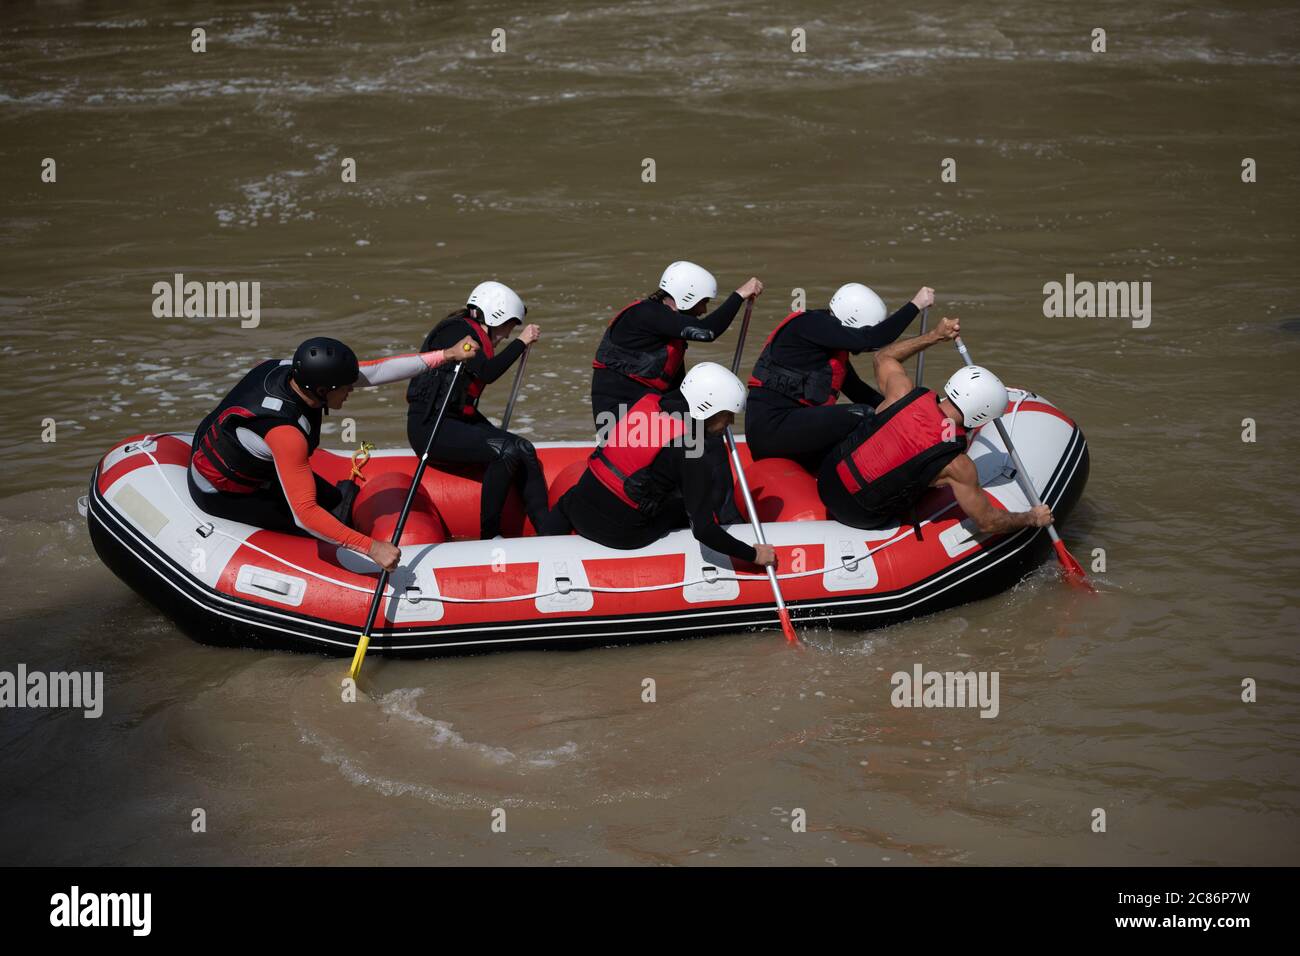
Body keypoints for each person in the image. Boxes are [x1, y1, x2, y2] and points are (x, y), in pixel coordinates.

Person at [189, 335, 477, 571]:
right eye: (346, 388)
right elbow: (305, 514)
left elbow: (375, 372)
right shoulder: (285, 433)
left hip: (256, 469)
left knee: (338, 501)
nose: (352, 390)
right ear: (324, 390)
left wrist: (447, 355)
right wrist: (372, 547)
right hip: (224, 494)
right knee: (316, 536)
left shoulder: (294, 371)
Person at [817, 317, 1053, 534]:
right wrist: (1032, 518)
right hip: (857, 513)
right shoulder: (958, 466)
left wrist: (935, 335)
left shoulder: (901, 393)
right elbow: (987, 521)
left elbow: (883, 357)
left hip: (827, 478)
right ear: (981, 419)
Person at [544, 362, 777, 567]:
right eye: (727, 415)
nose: (730, 423)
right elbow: (704, 531)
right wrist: (754, 555)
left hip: (576, 508)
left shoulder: (649, 403)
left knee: (571, 497)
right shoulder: (692, 450)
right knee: (690, 506)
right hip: (622, 534)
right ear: (710, 410)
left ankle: (538, 545)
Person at [591, 261, 763, 523]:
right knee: (705, 438)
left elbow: (680, 391)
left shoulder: (665, 328)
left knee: (706, 427)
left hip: (643, 409)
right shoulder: (645, 315)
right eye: (703, 301)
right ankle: (725, 519)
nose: (704, 309)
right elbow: (707, 331)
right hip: (619, 418)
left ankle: (705, 508)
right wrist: (739, 296)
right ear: (688, 294)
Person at [406, 281, 551, 539]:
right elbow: (487, 372)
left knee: (524, 449)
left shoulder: (470, 331)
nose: (507, 335)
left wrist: (519, 342)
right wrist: (521, 342)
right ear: (497, 315)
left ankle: (548, 531)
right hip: (432, 428)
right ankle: (490, 535)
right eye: (508, 326)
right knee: (504, 451)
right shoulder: (456, 332)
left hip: (458, 422)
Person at [746, 283, 934, 470]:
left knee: (868, 410)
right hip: (771, 429)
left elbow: (859, 391)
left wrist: (905, 411)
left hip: (792, 430)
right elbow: (873, 338)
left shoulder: (826, 346)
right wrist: (915, 305)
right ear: (854, 320)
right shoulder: (811, 325)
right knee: (862, 414)